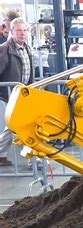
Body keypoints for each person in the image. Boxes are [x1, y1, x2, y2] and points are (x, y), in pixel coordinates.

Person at [0, 18, 34, 166]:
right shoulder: (4, 49)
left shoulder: (27, 47)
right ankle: (34, 158)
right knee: (24, 124)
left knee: (13, 125)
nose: (22, 33)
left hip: (24, 93)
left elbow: (28, 70)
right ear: (12, 32)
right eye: (19, 30)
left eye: (25, 30)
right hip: (10, 94)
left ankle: (0, 153)